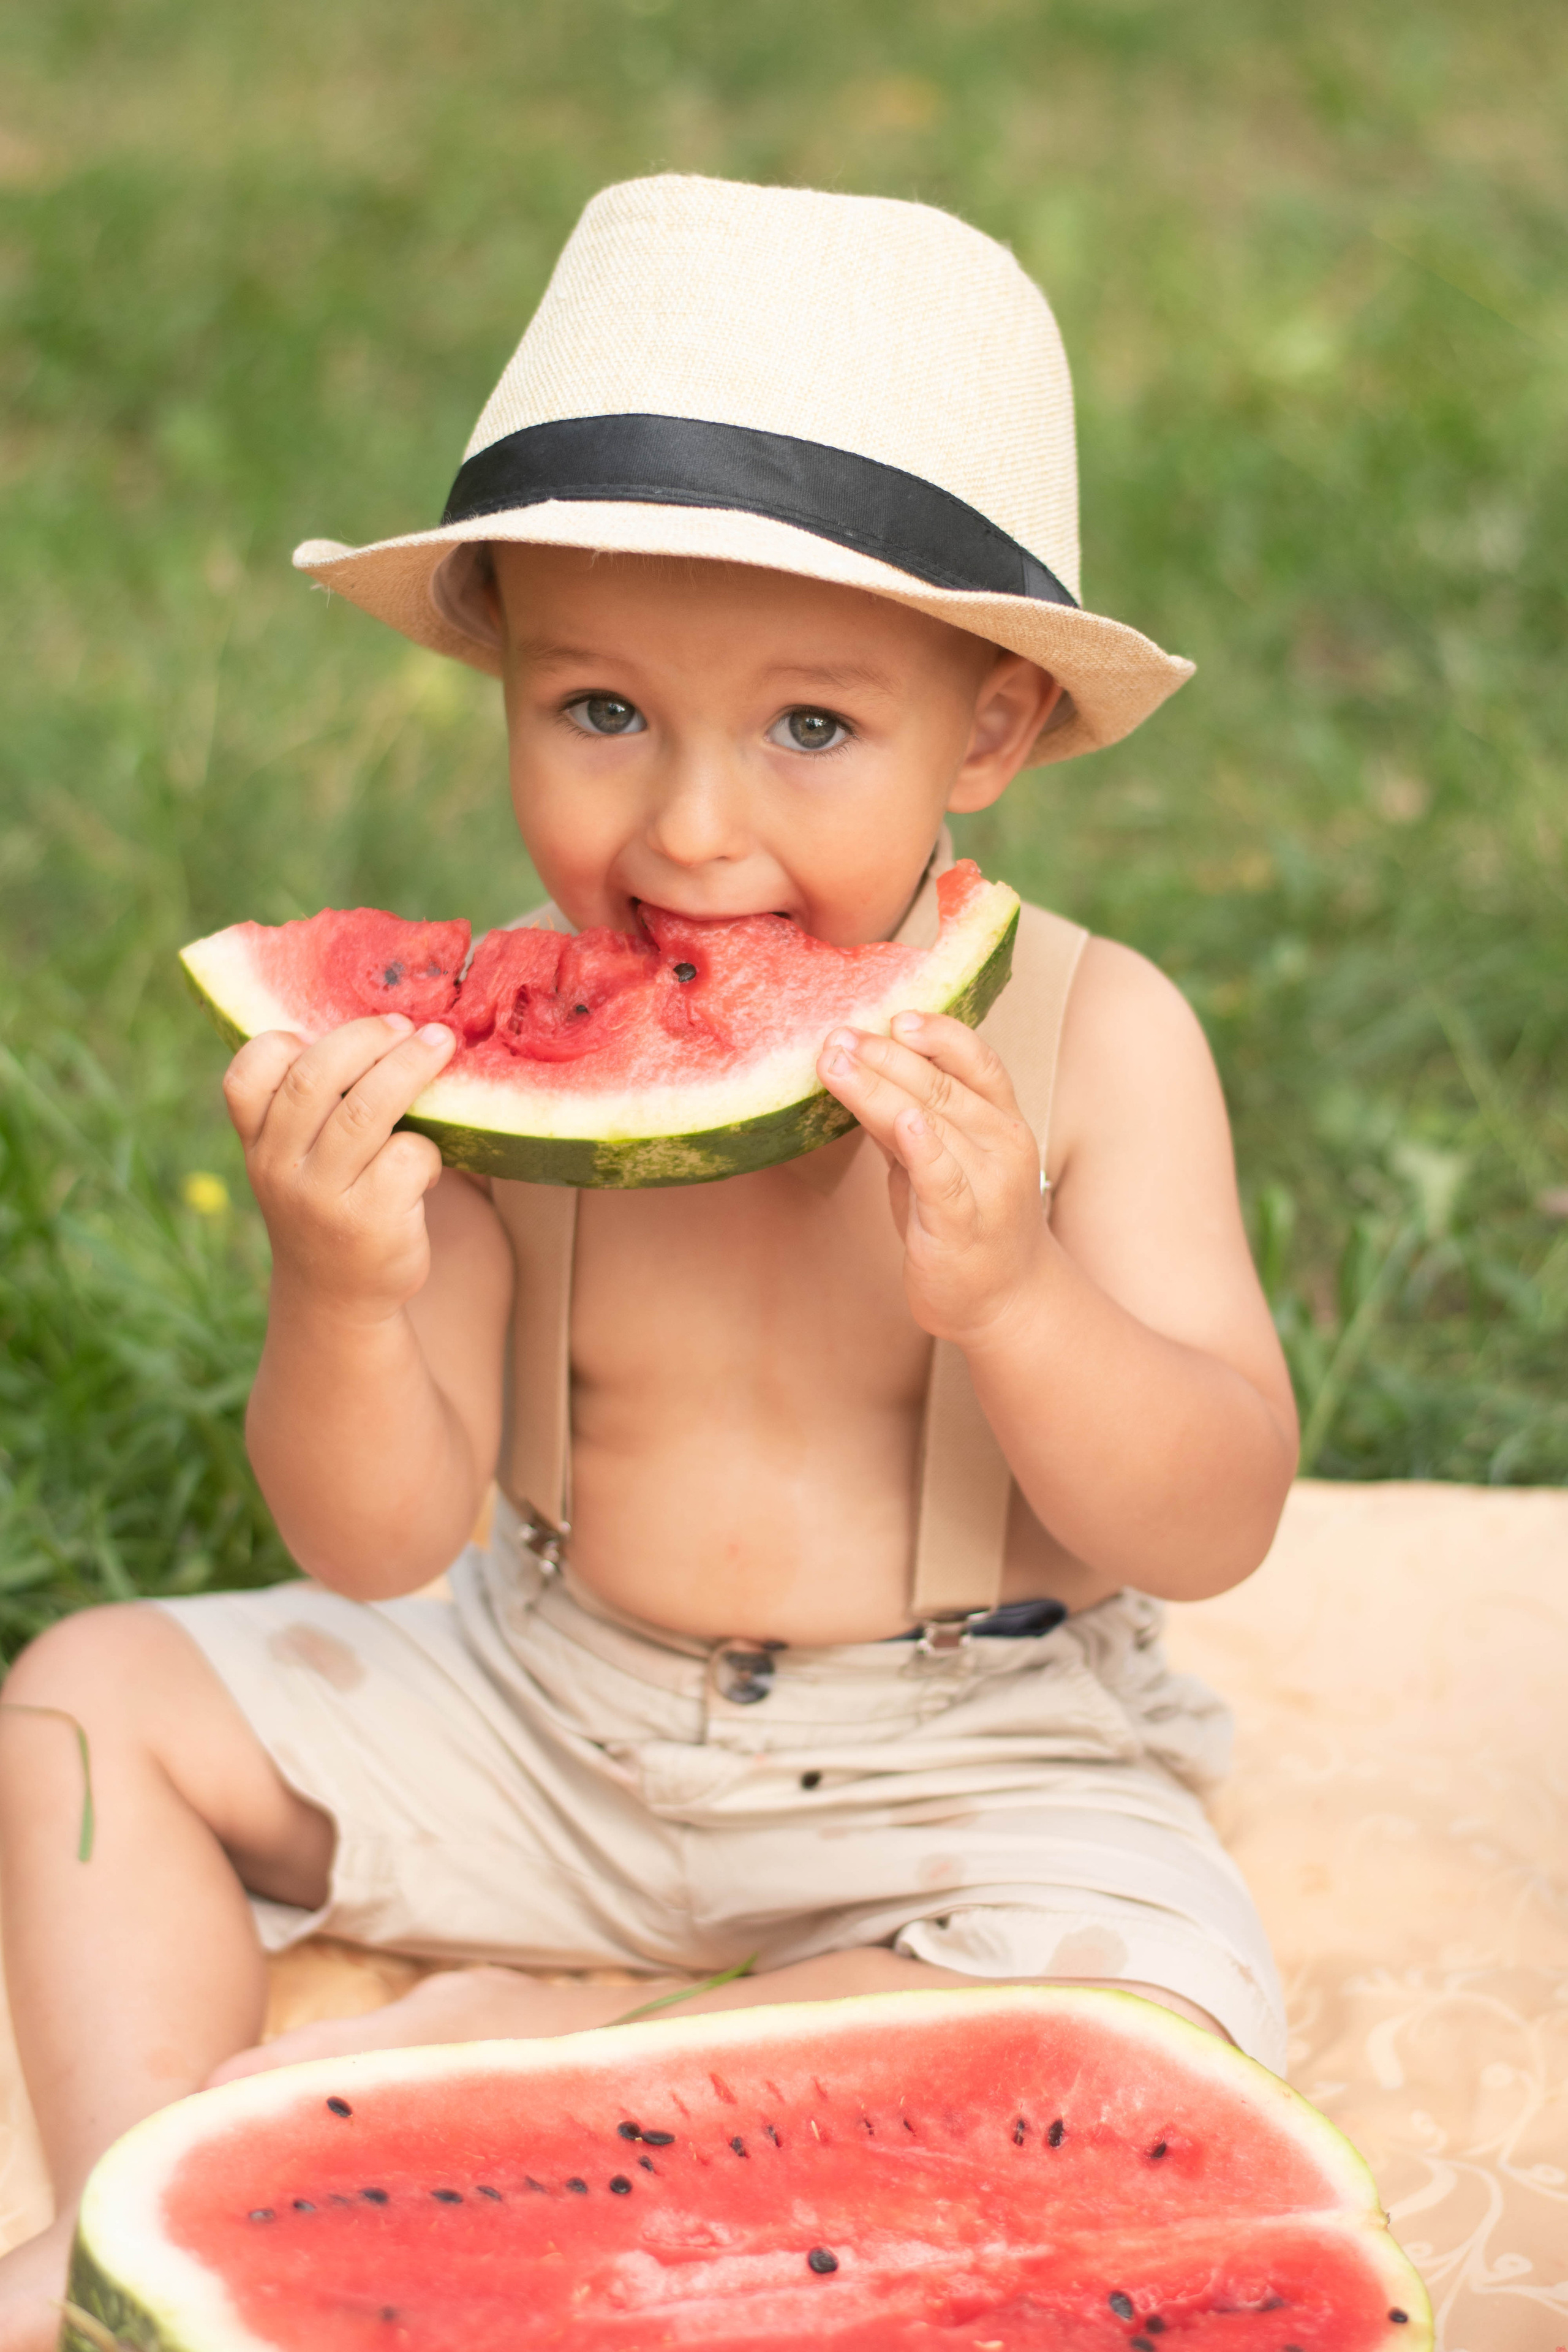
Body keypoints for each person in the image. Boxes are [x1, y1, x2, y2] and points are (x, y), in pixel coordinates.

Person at [0, 175, 1298, 2343]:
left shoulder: (1098, 1038)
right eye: (600, 711)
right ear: (504, 675)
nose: (691, 832)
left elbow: (1221, 1507)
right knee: (81, 1705)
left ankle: (527, 2096)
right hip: (545, 1694)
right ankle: (158, 2218)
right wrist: (339, 1289)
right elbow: (386, 1539)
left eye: (810, 729)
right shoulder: (482, 1042)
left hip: (971, 1770)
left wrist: (1018, 1295)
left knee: (1153, 2007)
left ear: (990, 731)